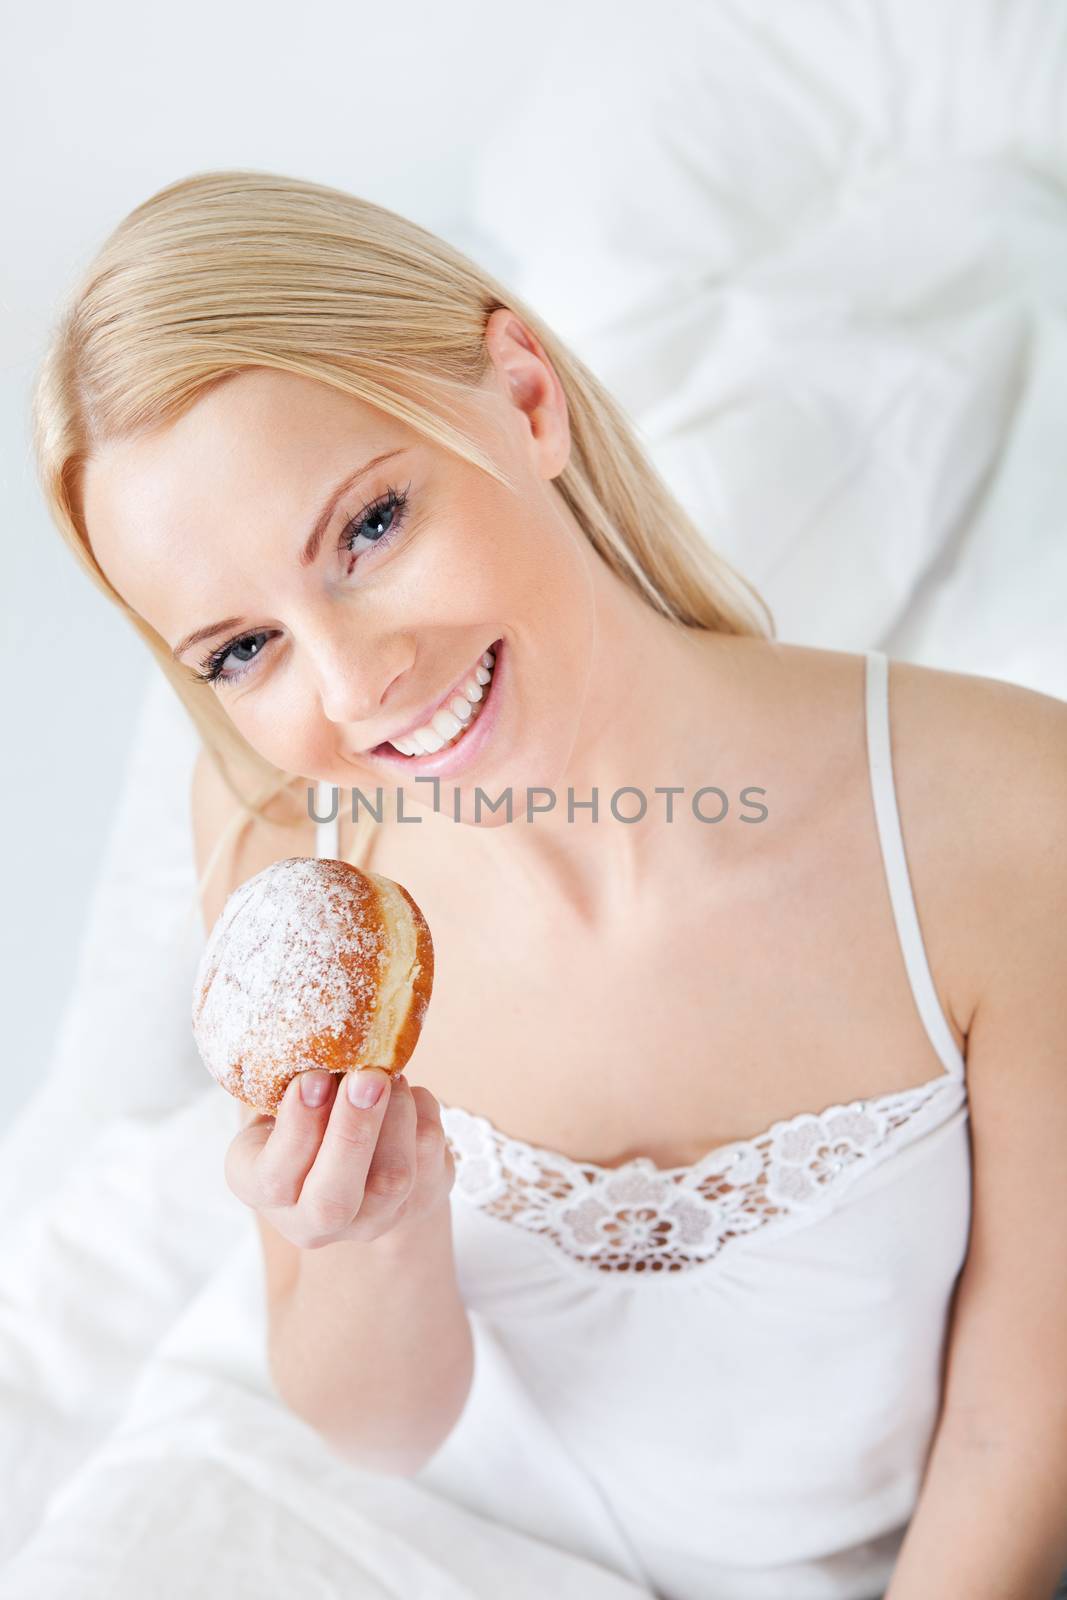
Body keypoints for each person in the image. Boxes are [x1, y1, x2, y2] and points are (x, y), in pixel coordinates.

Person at [32, 169, 1067, 1599]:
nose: (353, 684)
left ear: (524, 396)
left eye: (370, 527)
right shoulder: (292, 860)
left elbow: (1021, 1431)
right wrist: (366, 1238)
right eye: (241, 650)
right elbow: (376, 1433)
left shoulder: (1008, 817)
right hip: (323, 1521)